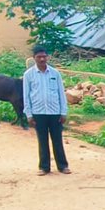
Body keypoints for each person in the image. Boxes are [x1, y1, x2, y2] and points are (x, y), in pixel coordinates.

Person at [23, 45, 70, 175]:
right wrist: (29, 115)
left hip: (55, 112)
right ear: (34, 58)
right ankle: (44, 167)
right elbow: (26, 95)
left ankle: (63, 166)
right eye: (39, 57)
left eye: (44, 56)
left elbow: (61, 93)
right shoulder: (29, 75)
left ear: (47, 57)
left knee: (57, 140)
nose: (42, 59)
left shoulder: (55, 73)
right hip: (38, 113)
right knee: (42, 140)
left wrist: (63, 112)